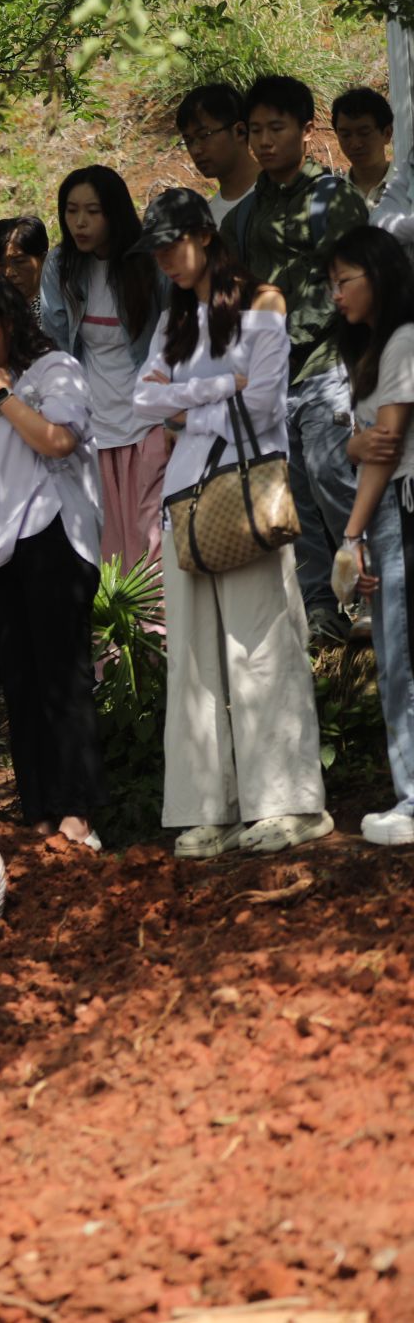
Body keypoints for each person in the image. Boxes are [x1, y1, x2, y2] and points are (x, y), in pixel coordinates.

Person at [130, 188, 332, 857]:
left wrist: (184, 404)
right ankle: (209, 809)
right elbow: (141, 400)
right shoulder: (173, 320)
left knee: (262, 647)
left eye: (173, 244)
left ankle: (292, 802)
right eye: (157, 250)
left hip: (246, 489)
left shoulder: (262, 302)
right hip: (187, 498)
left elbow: (267, 400)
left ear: (205, 235)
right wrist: (221, 388)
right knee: (193, 660)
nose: (165, 259)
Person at [0, 269, 106, 848]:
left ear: (8, 320)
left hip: (53, 538)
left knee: (63, 678)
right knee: (21, 687)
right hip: (1, 560)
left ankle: (78, 815)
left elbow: (59, 439)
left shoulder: (54, 370)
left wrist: (2, 394)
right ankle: (38, 812)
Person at [221, 75, 372, 642]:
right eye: (255, 130)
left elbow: (345, 283)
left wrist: (283, 334)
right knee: (292, 490)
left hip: (331, 363)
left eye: (277, 128)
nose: (264, 141)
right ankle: (321, 606)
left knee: (335, 475)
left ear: (307, 131)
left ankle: (370, 592)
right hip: (271, 376)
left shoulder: (333, 199)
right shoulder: (244, 215)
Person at [40, 165, 170, 574]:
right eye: (71, 210)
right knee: (107, 546)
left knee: (153, 541)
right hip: (94, 427)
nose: (80, 222)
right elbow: (55, 343)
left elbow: (174, 336)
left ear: (114, 213)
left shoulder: (149, 263)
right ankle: (116, 620)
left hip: (148, 423)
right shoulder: (61, 266)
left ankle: (160, 618)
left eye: (92, 211)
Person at [330, 227, 414, 843]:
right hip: (386, 512)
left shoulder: (403, 340)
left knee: (402, 659)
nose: (335, 295)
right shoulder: (376, 349)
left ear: (378, 277)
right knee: (394, 656)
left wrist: (350, 536)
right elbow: (366, 444)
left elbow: (385, 449)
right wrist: (353, 445)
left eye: (344, 281)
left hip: (399, 510)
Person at [177, 83, 257, 226]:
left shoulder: (283, 191)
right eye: (188, 141)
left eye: (204, 135)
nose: (195, 150)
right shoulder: (210, 221)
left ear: (240, 131)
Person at [333, 87, 395, 211]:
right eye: (345, 135)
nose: (355, 144)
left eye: (364, 133)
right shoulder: (331, 197)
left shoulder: (407, 187)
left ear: (387, 134)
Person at [0, 216, 50, 313]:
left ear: (43, 259)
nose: (9, 273)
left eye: (20, 262)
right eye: (0, 265)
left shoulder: (58, 305)